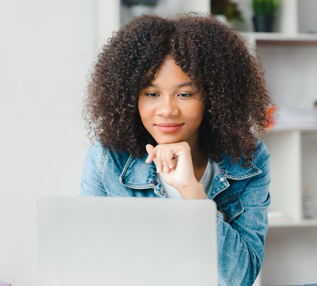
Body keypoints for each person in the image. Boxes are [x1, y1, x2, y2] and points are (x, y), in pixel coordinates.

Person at [81, 13, 272, 286]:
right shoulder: (106, 160)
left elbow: (240, 277)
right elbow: (86, 263)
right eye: (151, 93)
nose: (167, 109)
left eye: (185, 94)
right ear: (129, 97)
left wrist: (193, 194)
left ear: (215, 97)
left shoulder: (248, 160)